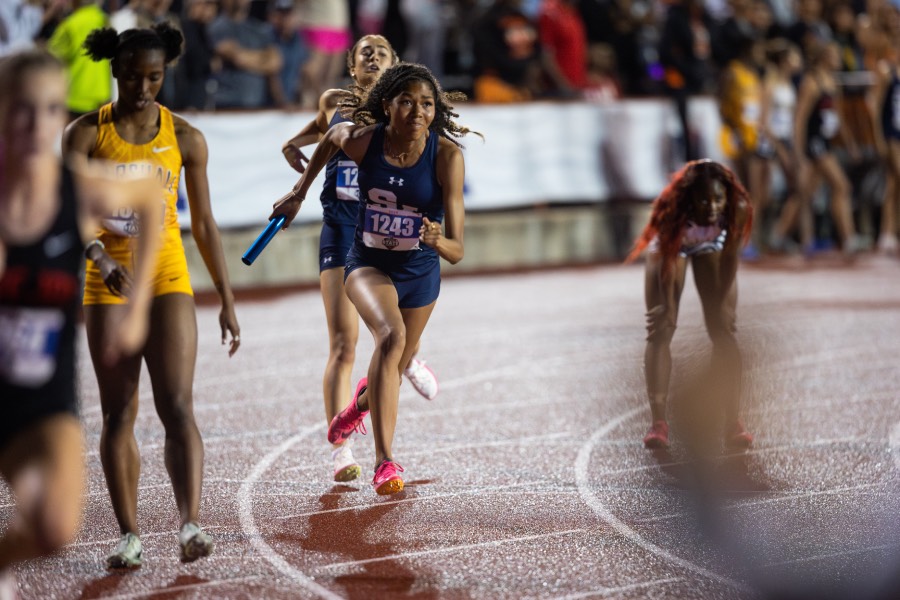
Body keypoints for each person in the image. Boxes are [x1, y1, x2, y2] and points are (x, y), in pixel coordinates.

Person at [62, 22, 241, 569]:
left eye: (155, 77)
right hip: (107, 281)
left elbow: (205, 224)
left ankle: (190, 525)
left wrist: (227, 297)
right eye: (134, 76)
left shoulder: (185, 137)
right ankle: (129, 536)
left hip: (163, 275)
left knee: (178, 405)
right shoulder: (86, 135)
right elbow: (72, 215)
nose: (143, 88)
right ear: (115, 70)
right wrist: (101, 259)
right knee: (119, 411)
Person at [0, 49, 161, 593]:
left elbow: (148, 197)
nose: (36, 124)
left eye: (50, 109)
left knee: (54, 528)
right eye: (21, 109)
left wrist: (136, 311)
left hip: (41, 403)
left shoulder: (74, 186)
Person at [271, 62, 472, 494]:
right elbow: (328, 137)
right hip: (367, 263)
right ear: (387, 106)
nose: (417, 111)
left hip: (420, 271)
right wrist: (297, 194)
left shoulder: (447, 156)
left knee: (391, 372)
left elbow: (458, 251)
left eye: (426, 104)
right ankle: (386, 462)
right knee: (390, 337)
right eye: (407, 102)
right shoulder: (366, 142)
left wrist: (438, 240)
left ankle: (354, 410)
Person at [626, 159, 754, 450]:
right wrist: (666, 308)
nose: (711, 207)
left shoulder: (737, 209)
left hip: (712, 246)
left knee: (723, 328)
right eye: (703, 200)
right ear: (689, 200)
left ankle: (732, 421)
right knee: (662, 326)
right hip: (673, 248)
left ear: (727, 198)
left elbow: (730, 261)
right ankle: (658, 424)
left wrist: (722, 303)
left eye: (717, 200)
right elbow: (667, 274)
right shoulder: (673, 212)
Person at [773, 41, 861, 255]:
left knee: (805, 193)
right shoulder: (812, 83)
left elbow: (837, 115)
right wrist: (799, 153)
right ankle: (848, 237)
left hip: (825, 141)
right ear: (824, 57)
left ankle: (778, 235)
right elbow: (800, 120)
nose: (839, 58)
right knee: (842, 186)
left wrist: (849, 142)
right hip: (814, 143)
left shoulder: (831, 82)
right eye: (834, 54)